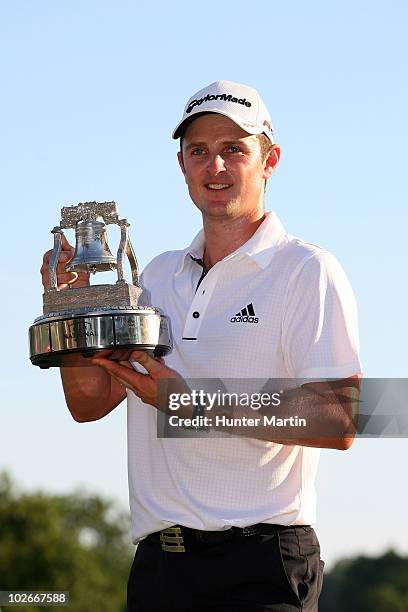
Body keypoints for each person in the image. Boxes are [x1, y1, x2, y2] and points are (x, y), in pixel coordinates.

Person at [41, 80, 362, 611]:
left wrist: (189, 402)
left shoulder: (307, 269)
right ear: (182, 166)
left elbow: (342, 416)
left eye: (234, 149)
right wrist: (71, 309)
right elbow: (88, 402)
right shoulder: (157, 275)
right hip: (158, 568)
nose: (215, 166)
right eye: (199, 152)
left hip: (261, 567)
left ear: (269, 160)